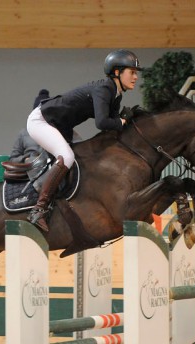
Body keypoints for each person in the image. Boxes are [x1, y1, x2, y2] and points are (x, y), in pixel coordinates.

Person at [26, 49, 142, 231]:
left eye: (136, 73)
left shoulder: (115, 94)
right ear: (118, 72)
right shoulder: (104, 89)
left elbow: (112, 129)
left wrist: (128, 122)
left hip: (59, 125)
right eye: (132, 72)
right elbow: (102, 122)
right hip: (41, 121)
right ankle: (38, 210)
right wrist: (122, 120)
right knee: (67, 157)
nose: (135, 77)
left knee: (76, 157)